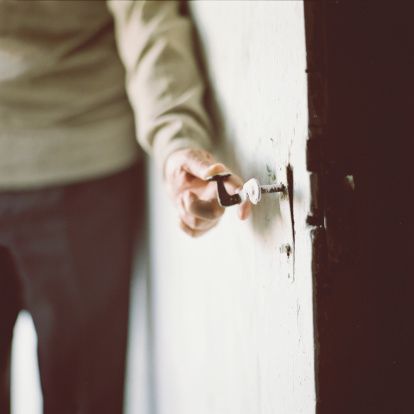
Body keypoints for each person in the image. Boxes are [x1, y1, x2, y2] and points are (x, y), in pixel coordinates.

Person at [0, 1, 250, 413]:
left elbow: (148, 18)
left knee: (83, 400)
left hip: (80, 174)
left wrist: (177, 140)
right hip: (82, 166)